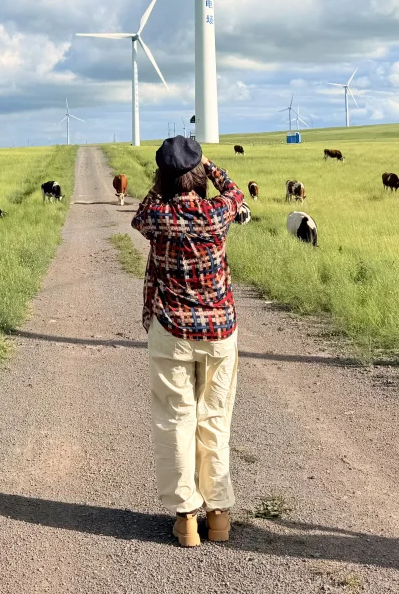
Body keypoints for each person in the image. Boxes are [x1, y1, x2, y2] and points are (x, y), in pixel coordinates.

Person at [131, 135, 244, 548]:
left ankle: (186, 519)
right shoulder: (218, 213)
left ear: (163, 178)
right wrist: (208, 163)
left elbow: (140, 213)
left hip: (172, 330)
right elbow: (234, 192)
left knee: (175, 420)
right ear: (199, 177)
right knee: (215, 418)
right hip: (219, 332)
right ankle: (219, 515)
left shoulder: (157, 216)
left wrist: (164, 181)